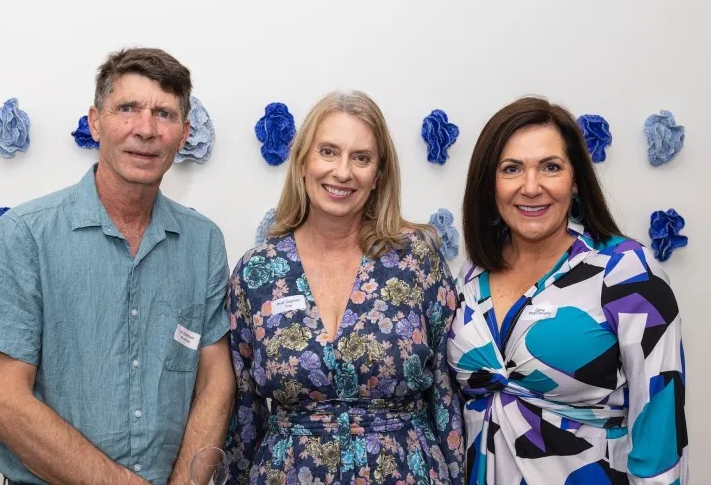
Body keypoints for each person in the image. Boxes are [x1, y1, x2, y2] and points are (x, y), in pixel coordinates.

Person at [0, 47, 235, 485]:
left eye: (164, 114)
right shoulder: (25, 235)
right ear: (95, 122)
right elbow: (4, 403)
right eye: (127, 108)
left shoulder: (203, 242)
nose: (145, 129)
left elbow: (216, 380)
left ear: (184, 134)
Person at [225, 90, 465, 484]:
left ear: (379, 174)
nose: (342, 172)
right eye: (328, 152)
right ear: (303, 162)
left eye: (361, 158)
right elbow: (244, 409)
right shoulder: (258, 272)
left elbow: (445, 395)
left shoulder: (416, 263)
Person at [447, 96, 688, 484]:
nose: (531, 186)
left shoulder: (627, 272)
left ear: (575, 180)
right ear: (489, 183)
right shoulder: (473, 275)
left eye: (550, 167)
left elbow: (660, 434)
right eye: (511, 169)